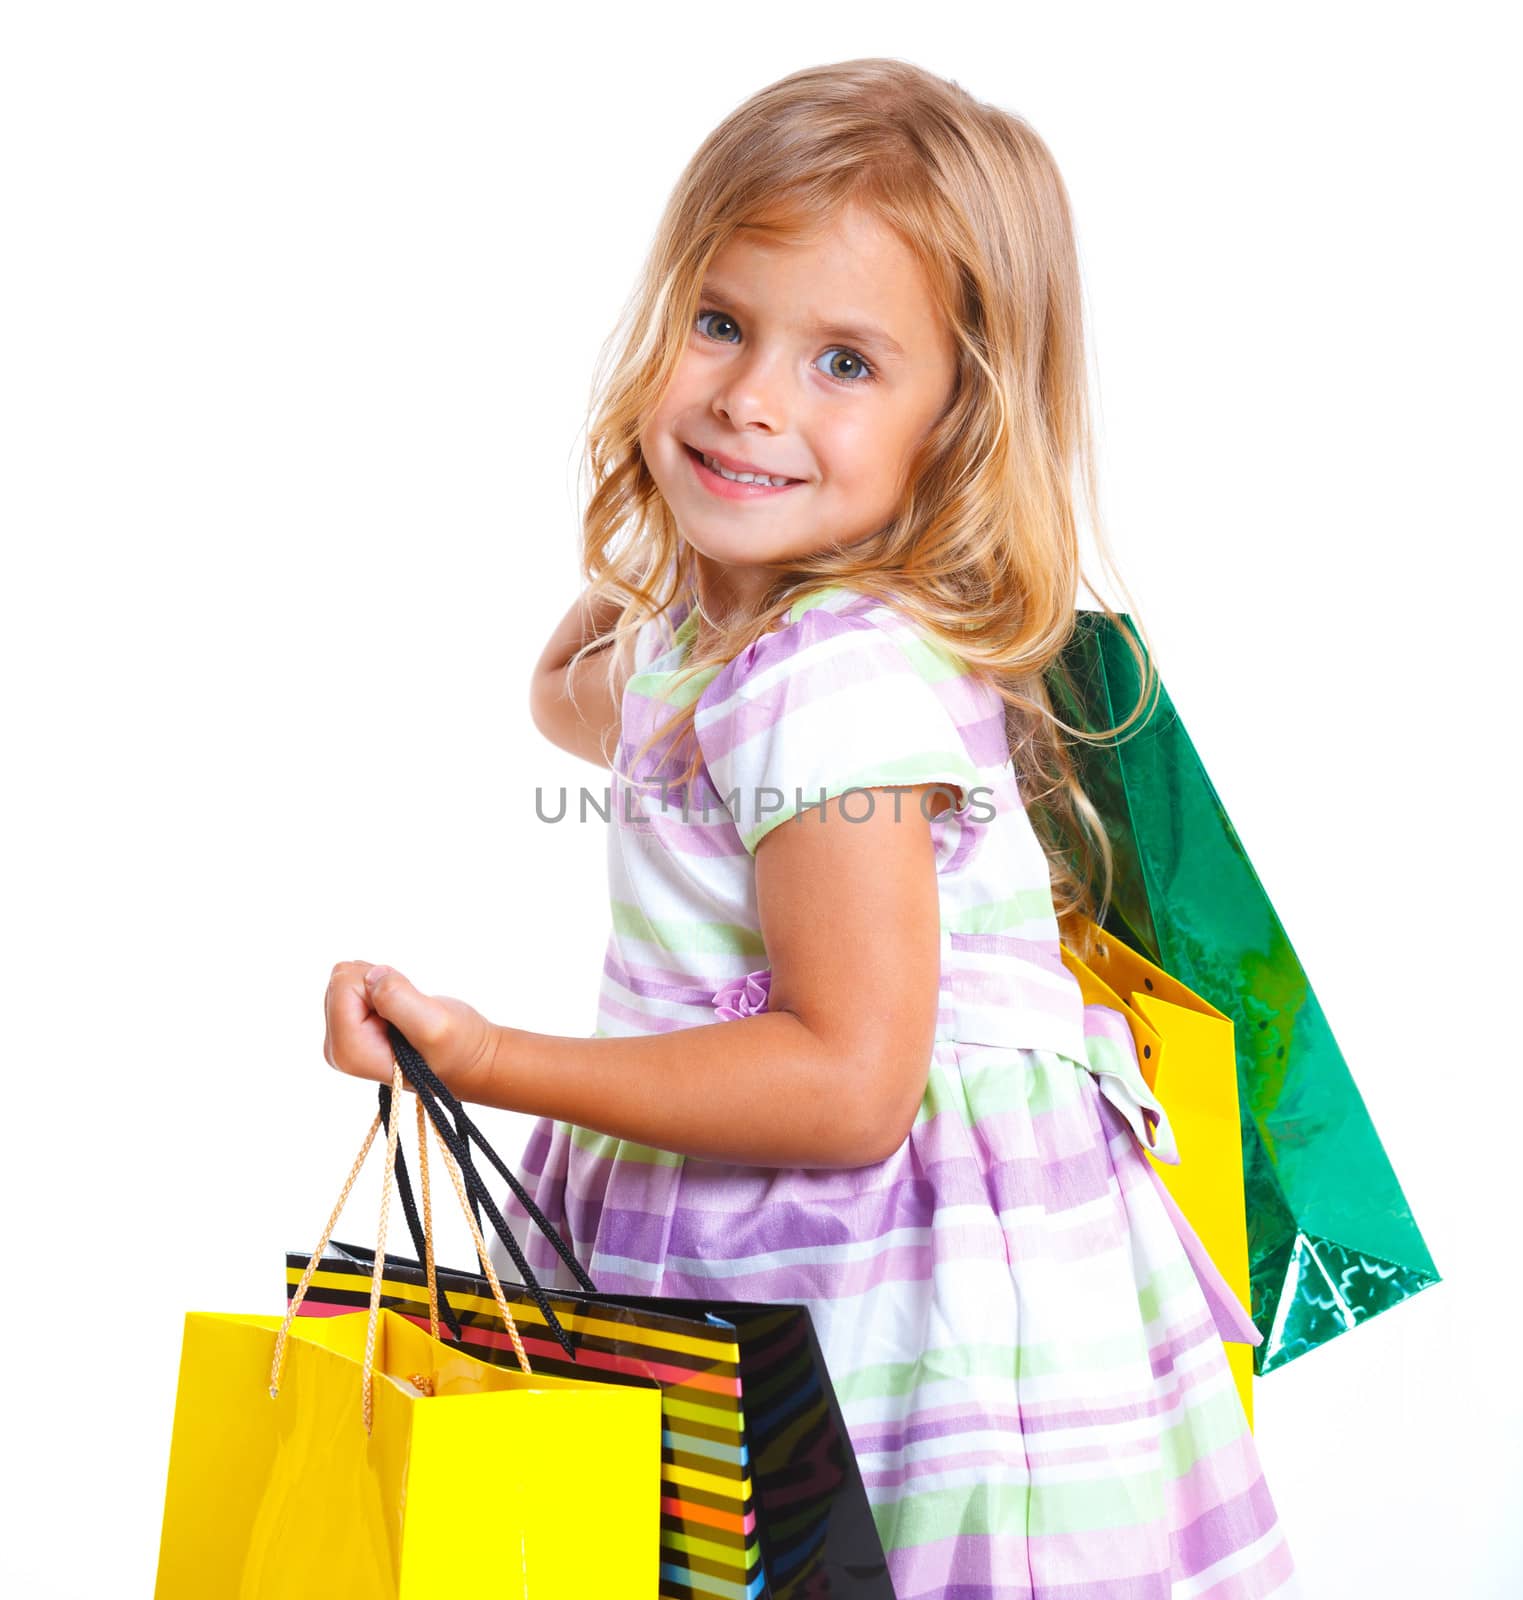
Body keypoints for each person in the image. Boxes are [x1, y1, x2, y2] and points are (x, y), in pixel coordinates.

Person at [323, 57, 1297, 1599]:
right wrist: (689, 571)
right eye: (719, 323)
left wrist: (487, 1057)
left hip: (884, 1292)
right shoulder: (732, 653)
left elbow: (849, 1084)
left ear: (958, 422)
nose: (752, 398)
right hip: (779, 1233)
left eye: (846, 362)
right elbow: (570, 690)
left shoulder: (829, 684)